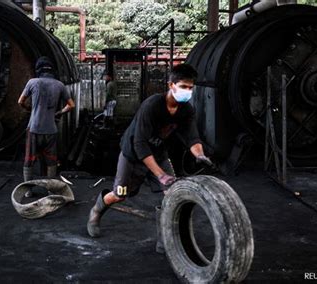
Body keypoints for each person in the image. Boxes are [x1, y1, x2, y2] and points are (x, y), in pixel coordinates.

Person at [86, 64, 213, 250]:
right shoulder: (152, 105)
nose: (187, 91)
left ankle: (165, 239)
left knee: (171, 194)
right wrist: (160, 174)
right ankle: (96, 210)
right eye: (183, 87)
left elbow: (192, 137)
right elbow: (140, 144)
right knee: (120, 195)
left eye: (190, 88)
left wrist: (200, 154)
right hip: (132, 156)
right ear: (171, 85)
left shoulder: (186, 110)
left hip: (159, 155)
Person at [18, 56, 75, 184]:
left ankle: (28, 190)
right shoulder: (60, 85)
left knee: (29, 159)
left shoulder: (32, 82)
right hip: (51, 130)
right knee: (51, 160)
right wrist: (59, 112)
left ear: (38, 70)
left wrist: (29, 109)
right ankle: (50, 189)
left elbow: (20, 101)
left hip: (34, 128)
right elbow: (71, 105)